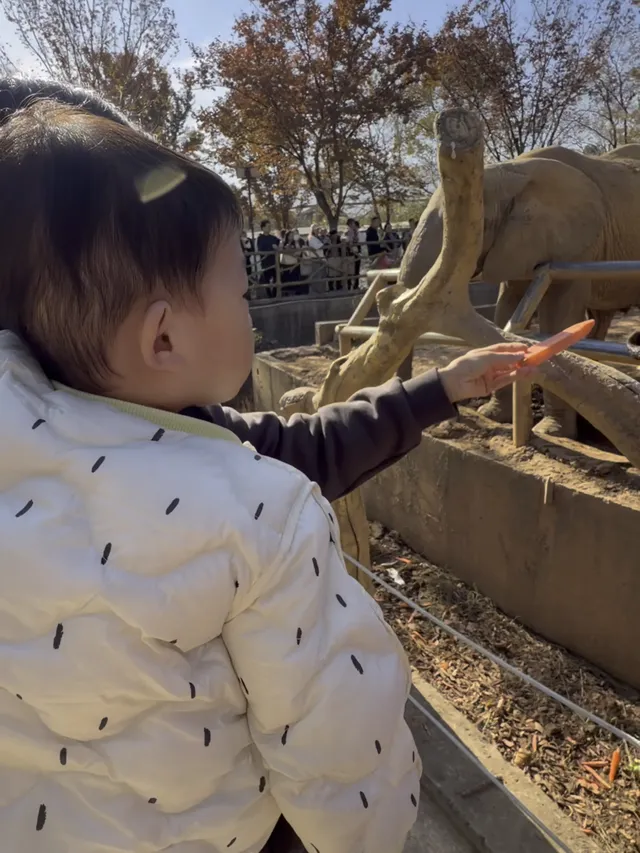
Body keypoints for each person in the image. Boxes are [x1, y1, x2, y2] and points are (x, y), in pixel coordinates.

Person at [0, 80, 533, 853]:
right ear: (163, 340)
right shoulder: (256, 510)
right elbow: (340, 749)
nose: (251, 314)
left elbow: (303, 441)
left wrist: (442, 387)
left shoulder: (40, 440)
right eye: (243, 293)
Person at [257, 219, 280, 298]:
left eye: (270, 226)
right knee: (267, 281)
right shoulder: (260, 238)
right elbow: (260, 249)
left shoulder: (273, 238)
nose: (269, 228)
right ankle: (270, 296)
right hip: (265, 263)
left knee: (276, 279)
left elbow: (280, 245)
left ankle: (274, 295)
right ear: (263, 228)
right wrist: (271, 248)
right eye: (267, 226)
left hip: (274, 262)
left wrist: (277, 248)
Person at [346, 217, 362, 289]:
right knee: (351, 269)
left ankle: (356, 284)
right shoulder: (350, 232)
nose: (354, 225)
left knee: (356, 268)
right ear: (349, 224)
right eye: (352, 223)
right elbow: (350, 243)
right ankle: (350, 285)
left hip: (356, 249)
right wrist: (354, 251)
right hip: (352, 251)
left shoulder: (355, 231)